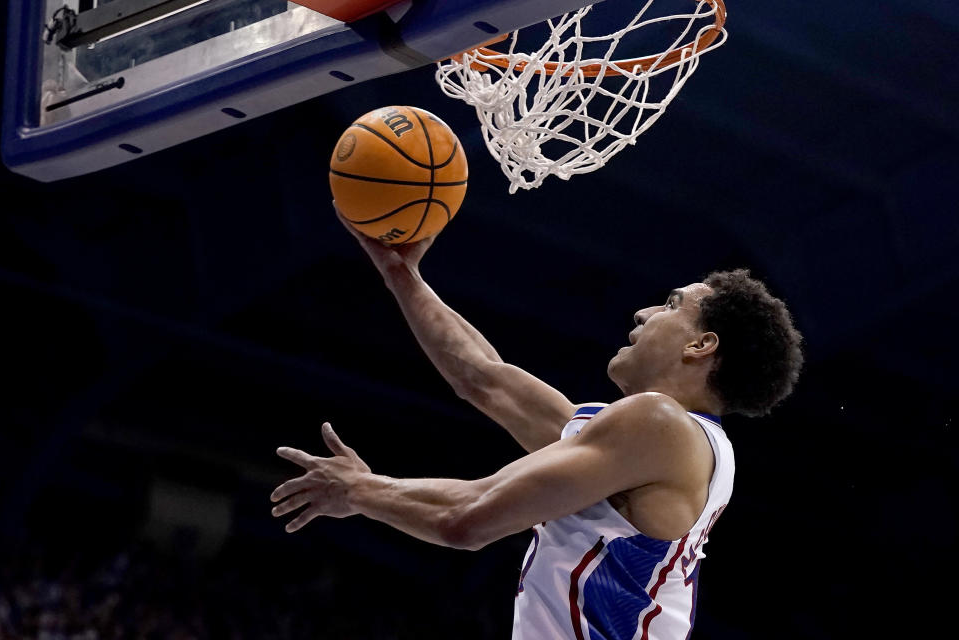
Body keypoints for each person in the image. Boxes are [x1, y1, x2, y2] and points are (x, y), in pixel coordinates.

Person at [270, 206, 804, 639]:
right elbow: (485, 379)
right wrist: (401, 276)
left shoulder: (659, 423)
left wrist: (360, 491)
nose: (644, 313)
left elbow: (468, 519)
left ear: (700, 345)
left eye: (672, 304)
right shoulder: (664, 444)